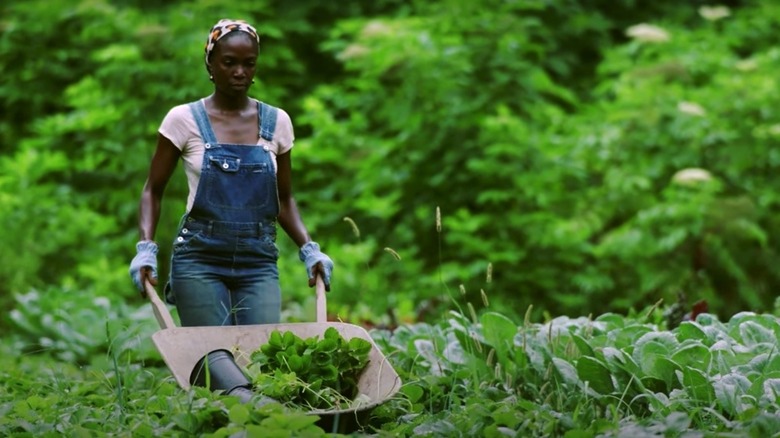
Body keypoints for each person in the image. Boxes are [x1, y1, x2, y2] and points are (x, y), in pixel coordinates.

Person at [128, 19, 333, 328]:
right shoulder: (183, 120)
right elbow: (152, 190)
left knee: (260, 356)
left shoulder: (277, 122)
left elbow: (284, 198)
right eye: (229, 63)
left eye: (249, 64)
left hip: (258, 261)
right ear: (210, 62)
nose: (240, 72)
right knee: (215, 360)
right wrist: (145, 247)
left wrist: (309, 249)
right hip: (199, 259)